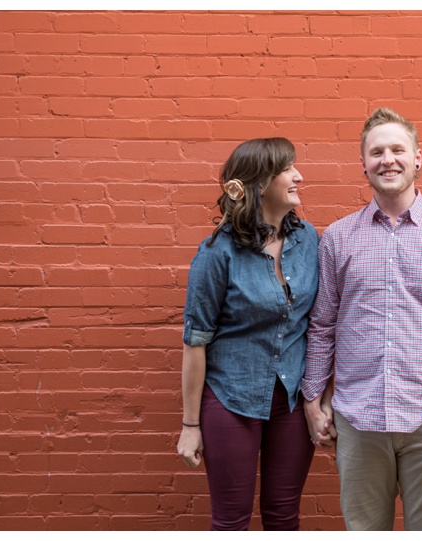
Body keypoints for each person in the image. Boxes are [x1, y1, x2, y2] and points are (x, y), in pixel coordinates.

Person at [301, 108, 422, 531]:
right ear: (363, 165)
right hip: (358, 418)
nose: (388, 159)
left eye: (397, 149)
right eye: (377, 151)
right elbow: (323, 325)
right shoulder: (337, 238)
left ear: (418, 158)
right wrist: (313, 400)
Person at [177, 137, 318, 530]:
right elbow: (195, 341)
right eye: (288, 169)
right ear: (260, 183)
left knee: (283, 517)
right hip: (231, 398)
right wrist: (190, 426)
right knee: (231, 522)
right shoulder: (217, 253)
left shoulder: (309, 241)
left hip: (290, 400)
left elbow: (319, 324)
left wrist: (320, 396)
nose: (298, 176)